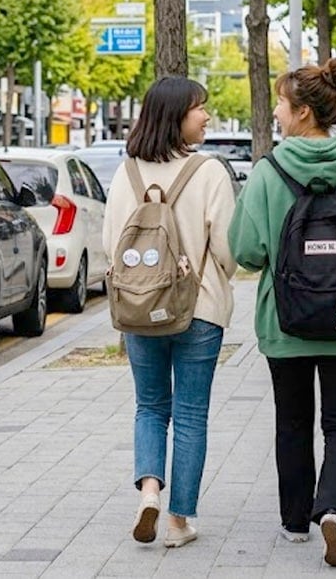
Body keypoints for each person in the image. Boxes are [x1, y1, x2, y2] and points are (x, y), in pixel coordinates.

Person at [228, 59, 336, 568]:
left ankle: (294, 520)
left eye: (282, 103)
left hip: (285, 321)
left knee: (292, 419)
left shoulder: (269, 172)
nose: (278, 111)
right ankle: (335, 510)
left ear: (303, 112)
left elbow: (246, 250)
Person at [102, 76, 237, 550]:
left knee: (150, 406)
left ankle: (149, 493)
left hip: (140, 308)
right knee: (191, 414)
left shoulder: (127, 173)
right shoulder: (210, 172)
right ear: (176, 115)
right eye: (200, 108)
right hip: (198, 308)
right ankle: (179, 522)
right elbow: (226, 248)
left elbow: (109, 245)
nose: (206, 116)